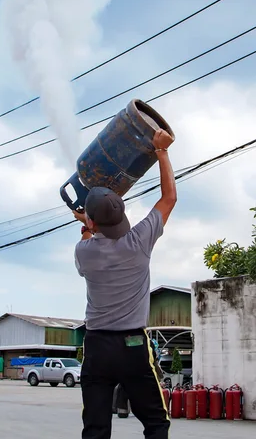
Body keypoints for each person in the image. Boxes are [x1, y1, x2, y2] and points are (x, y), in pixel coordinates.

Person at [74, 128, 176, 439]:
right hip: (133, 345)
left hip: (97, 347)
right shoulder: (140, 241)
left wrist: (87, 226)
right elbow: (169, 198)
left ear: (91, 222)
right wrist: (161, 151)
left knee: (96, 427)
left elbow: (91, 239)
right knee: (156, 424)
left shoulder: (84, 252)